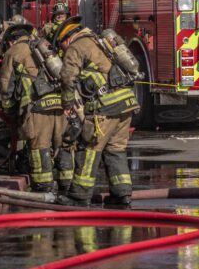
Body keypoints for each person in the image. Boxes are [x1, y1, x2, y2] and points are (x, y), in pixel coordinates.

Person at [55, 16, 139, 208]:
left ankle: (78, 196)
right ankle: (122, 195)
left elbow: (67, 77)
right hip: (126, 103)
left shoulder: (77, 47)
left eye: (61, 46)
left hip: (105, 107)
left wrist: (67, 103)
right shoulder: (100, 42)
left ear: (67, 38)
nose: (62, 51)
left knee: (89, 148)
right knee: (115, 150)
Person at [0, 20, 68, 192]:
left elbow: (6, 86)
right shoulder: (44, 46)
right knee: (61, 145)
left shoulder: (13, 52)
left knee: (39, 146)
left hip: (37, 108)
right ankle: (67, 184)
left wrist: (9, 111)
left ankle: (43, 186)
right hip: (59, 104)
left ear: (10, 41)